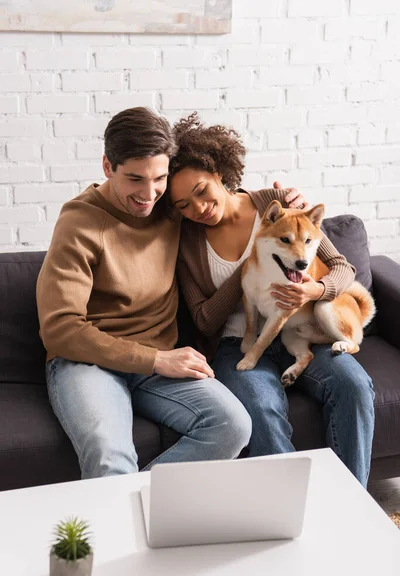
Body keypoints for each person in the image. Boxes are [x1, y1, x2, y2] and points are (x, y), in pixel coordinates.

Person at [36, 107, 252, 480]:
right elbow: (60, 329)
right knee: (110, 457)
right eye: (135, 179)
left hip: (157, 362)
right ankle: (124, 524)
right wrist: (154, 360)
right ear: (107, 166)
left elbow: (219, 197)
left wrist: (273, 197)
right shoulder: (78, 222)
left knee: (233, 425)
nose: (148, 194)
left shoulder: (169, 205)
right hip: (87, 363)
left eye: (159, 178)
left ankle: (133, 509)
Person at [168, 113, 375, 488]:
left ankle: (351, 505)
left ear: (217, 173)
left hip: (303, 330)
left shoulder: (279, 205)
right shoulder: (187, 241)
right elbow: (202, 320)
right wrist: (251, 267)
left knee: (355, 387)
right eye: (183, 205)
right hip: (238, 344)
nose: (197, 208)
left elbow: (342, 268)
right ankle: (286, 520)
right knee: (261, 410)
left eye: (200, 190)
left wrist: (317, 290)